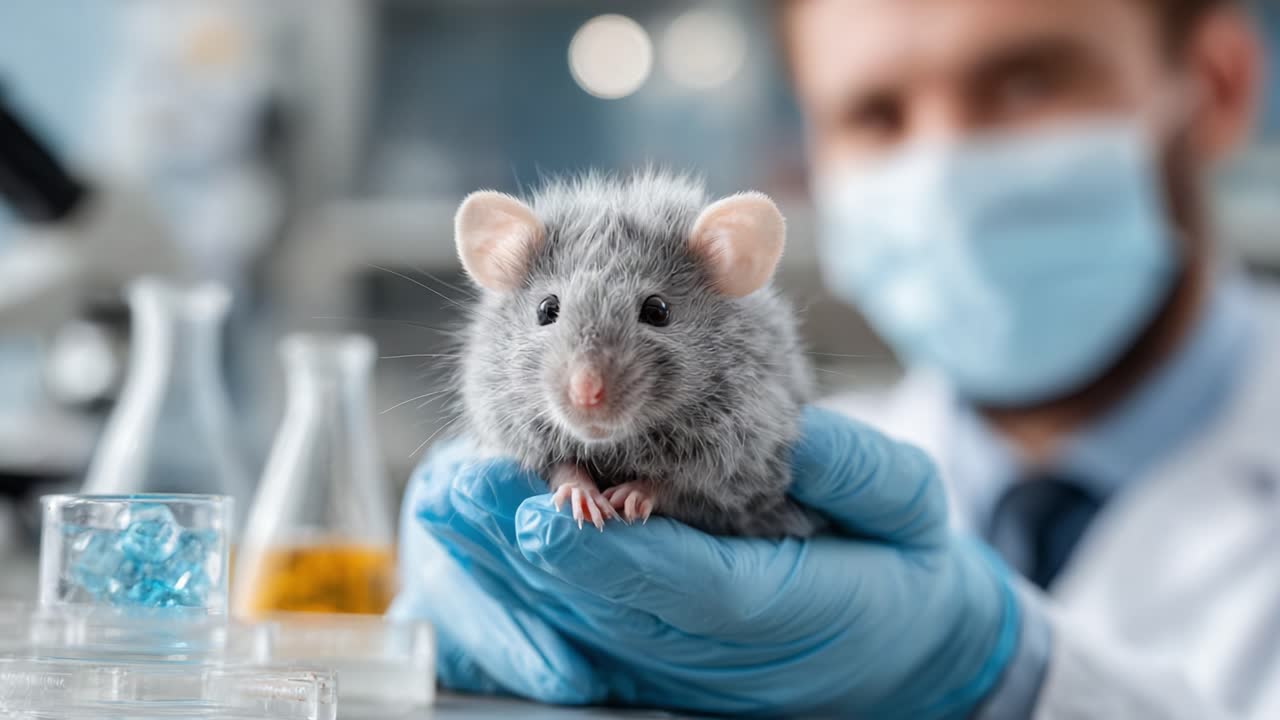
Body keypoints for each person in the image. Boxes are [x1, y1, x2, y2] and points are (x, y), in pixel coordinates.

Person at [391, 0, 1280, 716]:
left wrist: (1004, 676)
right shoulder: (823, 463)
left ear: (1217, 86)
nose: (944, 169)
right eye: (875, 112)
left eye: (1026, 82)